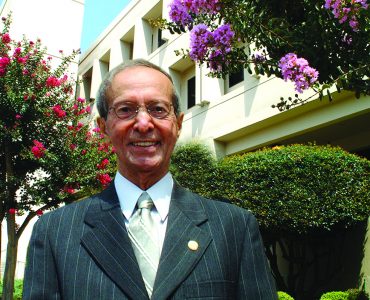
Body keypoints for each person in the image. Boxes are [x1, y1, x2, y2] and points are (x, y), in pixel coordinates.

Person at [23, 59, 277, 299]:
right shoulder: (55, 233)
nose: (144, 123)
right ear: (103, 127)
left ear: (177, 124)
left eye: (158, 109)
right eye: (125, 110)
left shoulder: (234, 228)